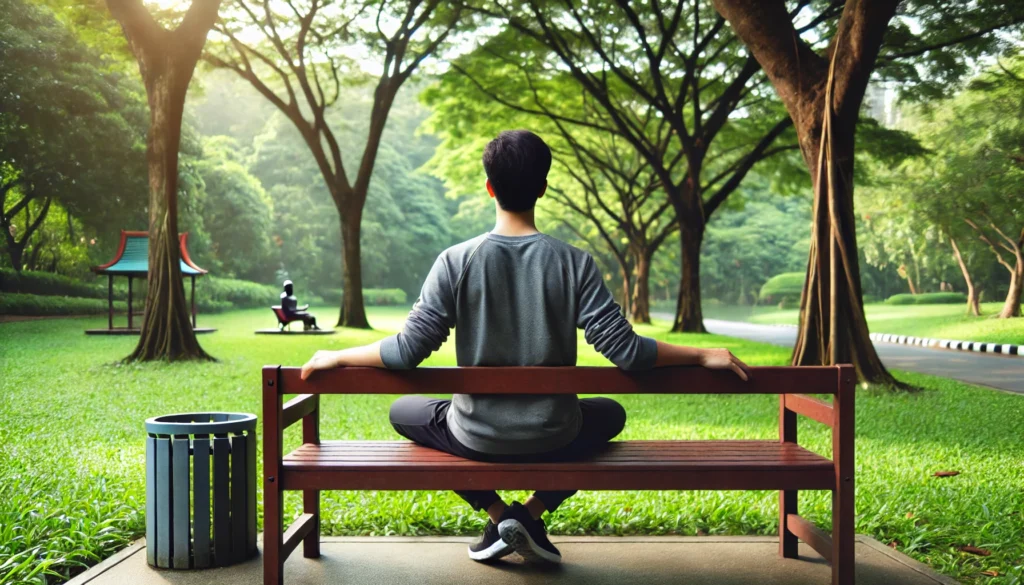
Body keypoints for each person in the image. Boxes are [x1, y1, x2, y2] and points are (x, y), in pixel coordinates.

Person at [300, 130, 749, 565]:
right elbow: (627, 352)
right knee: (611, 414)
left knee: (404, 412)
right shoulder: (575, 263)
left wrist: (337, 355)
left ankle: (499, 518)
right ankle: (528, 517)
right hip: (555, 435)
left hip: (475, 435)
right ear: (544, 187)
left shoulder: (455, 261)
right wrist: (701, 354)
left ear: (489, 187)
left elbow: (406, 351)